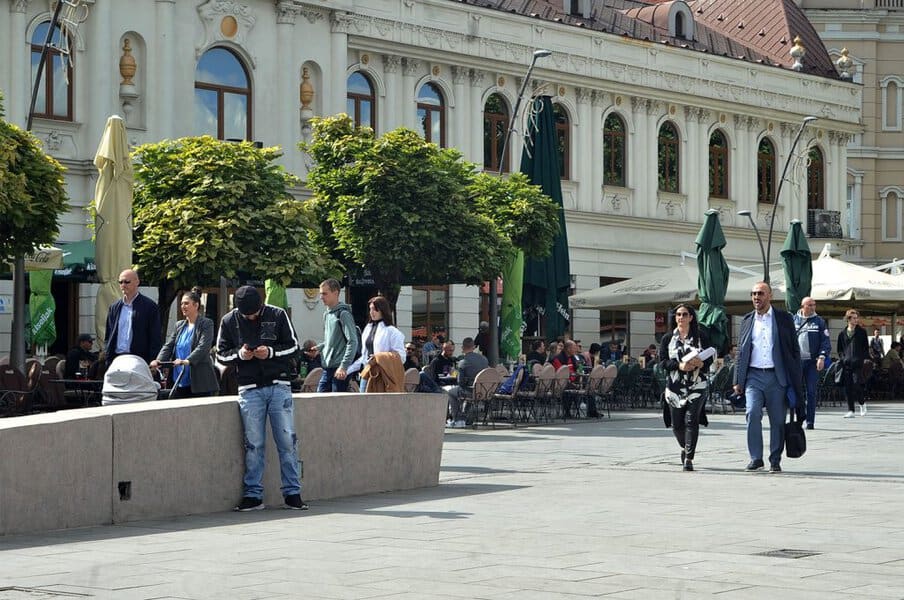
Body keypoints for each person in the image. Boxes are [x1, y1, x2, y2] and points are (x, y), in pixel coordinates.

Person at [216, 285, 306, 512]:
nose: (251, 317)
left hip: (279, 384)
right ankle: (253, 495)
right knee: (253, 444)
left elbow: (295, 346)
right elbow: (220, 354)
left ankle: (293, 492)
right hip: (248, 387)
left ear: (262, 305)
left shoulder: (277, 314)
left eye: (255, 313)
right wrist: (240, 354)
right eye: (247, 315)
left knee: (287, 441)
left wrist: (271, 352)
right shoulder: (229, 321)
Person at [733, 282, 803, 473]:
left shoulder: (783, 319)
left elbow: (793, 350)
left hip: (777, 376)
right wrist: (737, 381)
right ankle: (756, 458)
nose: (757, 297)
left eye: (761, 293)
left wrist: (795, 379)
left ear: (770, 296)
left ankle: (775, 459)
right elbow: (741, 351)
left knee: (778, 420)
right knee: (752, 412)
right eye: (754, 293)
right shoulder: (747, 320)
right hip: (753, 376)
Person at [659, 304, 712, 472]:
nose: (680, 317)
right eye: (678, 315)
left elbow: (711, 356)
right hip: (675, 386)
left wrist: (701, 363)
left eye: (684, 314)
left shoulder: (701, 336)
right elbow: (663, 362)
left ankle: (689, 457)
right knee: (676, 425)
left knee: (691, 420)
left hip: (697, 384)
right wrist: (679, 366)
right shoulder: (668, 338)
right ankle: (685, 446)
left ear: (691, 317)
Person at [151, 288, 219, 399]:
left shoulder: (206, 324)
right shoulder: (179, 325)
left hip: (198, 380)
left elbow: (203, 346)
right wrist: (159, 360)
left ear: (196, 305)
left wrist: (187, 361)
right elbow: (169, 345)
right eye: (182, 303)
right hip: (178, 377)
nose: (183, 306)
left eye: (186, 303)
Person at [348, 296, 406, 392]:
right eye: (370, 309)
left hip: (383, 375)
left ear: (382, 310)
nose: (372, 312)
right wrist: (348, 370)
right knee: (364, 403)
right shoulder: (368, 328)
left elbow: (401, 357)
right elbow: (364, 357)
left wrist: (379, 357)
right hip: (367, 372)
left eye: (375, 309)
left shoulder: (392, 331)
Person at [104, 268, 161, 365]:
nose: (123, 285)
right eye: (120, 282)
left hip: (139, 360)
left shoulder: (150, 306)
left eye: (127, 282)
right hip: (117, 359)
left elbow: (155, 336)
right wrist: (107, 355)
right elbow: (109, 335)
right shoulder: (114, 308)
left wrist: (152, 360)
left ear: (137, 282)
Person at [793, 296, 831, 430]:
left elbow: (825, 342)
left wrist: (821, 357)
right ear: (802, 306)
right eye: (809, 305)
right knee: (797, 391)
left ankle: (810, 421)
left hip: (812, 363)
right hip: (797, 362)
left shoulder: (819, 321)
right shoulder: (794, 320)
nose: (813, 307)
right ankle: (799, 418)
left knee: (811, 391)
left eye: (814, 305)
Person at [316, 278, 358, 392]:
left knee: (337, 405)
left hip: (339, 368)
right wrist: (319, 348)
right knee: (320, 399)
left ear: (336, 293)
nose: (321, 297)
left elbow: (352, 341)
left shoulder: (344, 314)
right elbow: (331, 340)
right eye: (321, 294)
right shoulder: (326, 314)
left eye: (325, 293)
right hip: (327, 367)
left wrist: (344, 366)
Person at [444, 337, 488, 428]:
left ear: (463, 348)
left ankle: (458, 419)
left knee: (452, 393)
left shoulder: (463, 362)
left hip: (471, 392)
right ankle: (466, 418)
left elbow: (460, 382)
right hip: (485, 392)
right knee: (467, 391)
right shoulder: (484, 359)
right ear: (474, 347)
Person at [838, 308, 869, 418]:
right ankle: (851, 410)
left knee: (856, 384)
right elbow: (840, 349)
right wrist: (843, 358)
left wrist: (863, 358)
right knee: (848, 387)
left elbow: (866, 347)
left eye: (857, 318)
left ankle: (862, 403)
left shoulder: (862, 332)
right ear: (848, 319)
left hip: (858, 363)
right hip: (846, 364)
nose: (856, 320)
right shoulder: (842, 333)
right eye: (854, 318)